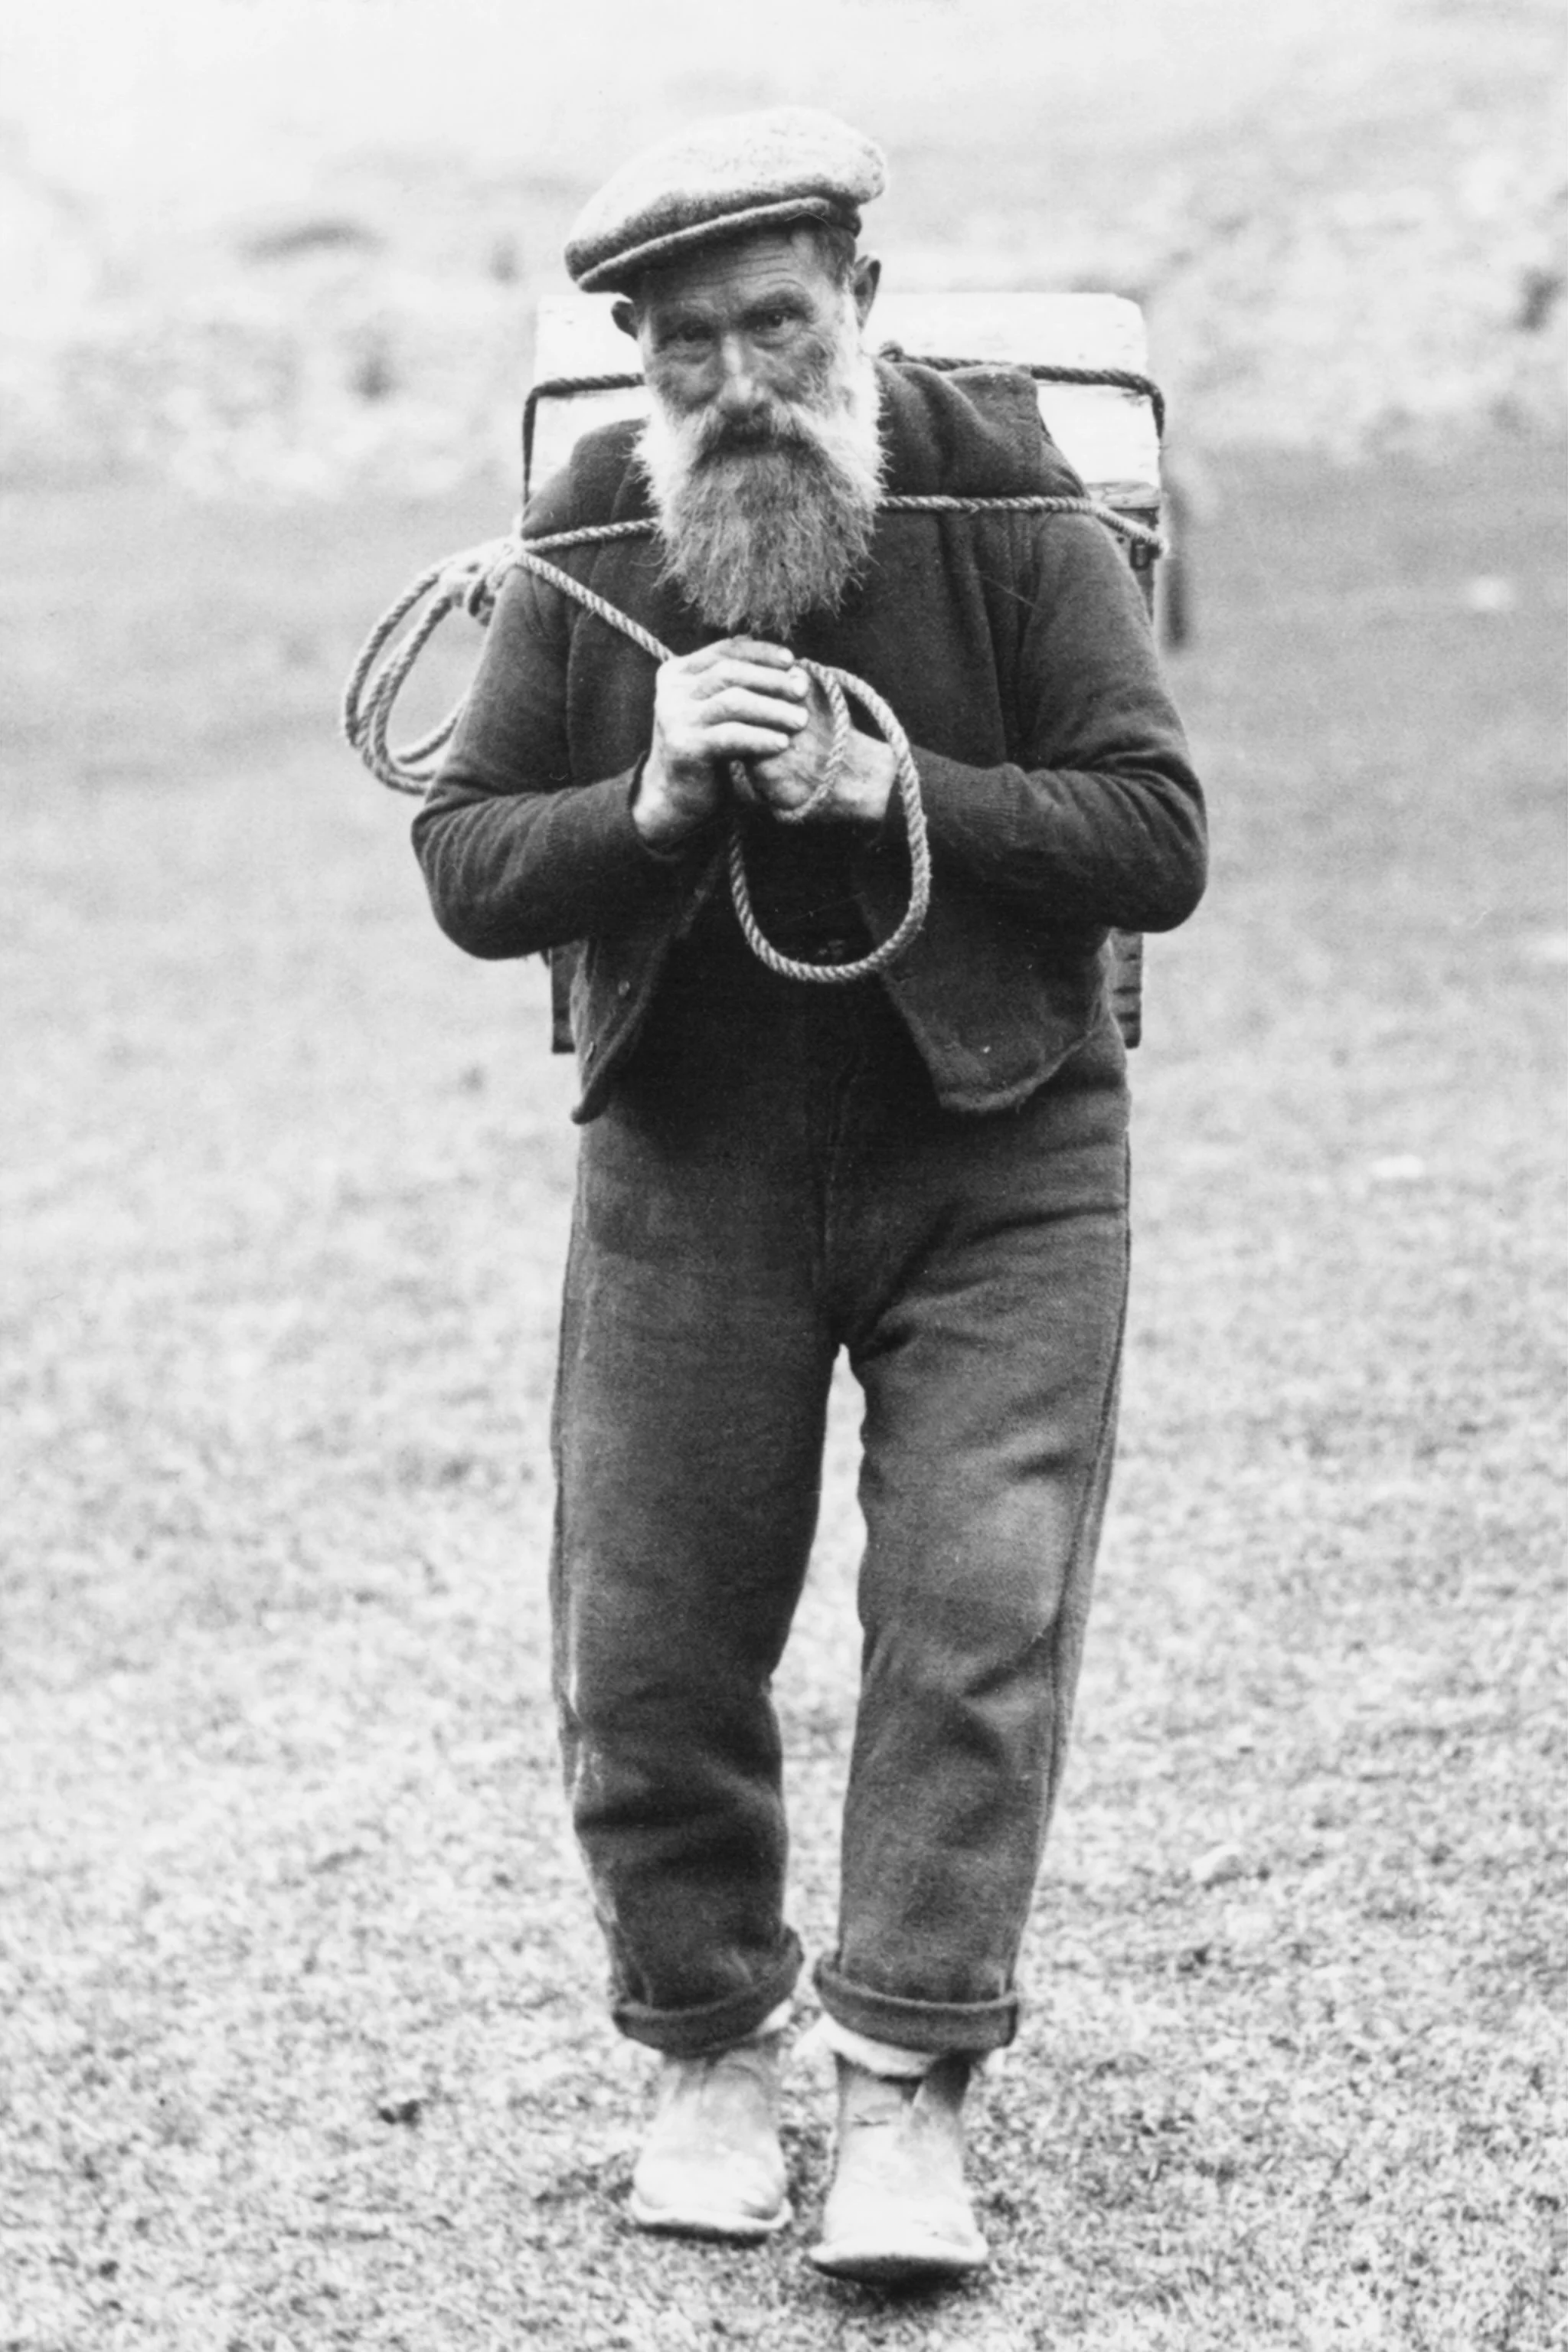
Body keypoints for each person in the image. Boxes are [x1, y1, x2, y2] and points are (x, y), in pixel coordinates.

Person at [412, 106, 1205, 2285]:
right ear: (636, 356)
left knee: (973, 1625)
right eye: (686, 345)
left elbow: (1157, 836)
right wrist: (651, 797)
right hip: (697, 1161)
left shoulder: (1000, 485)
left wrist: (890, 780)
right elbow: (466, 859)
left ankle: (908, 2095)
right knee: (650, 1641)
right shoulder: (596, 520)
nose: (740, 382)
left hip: (1004, 1153)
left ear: (859, 300)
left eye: (776, 323)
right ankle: (704, 2053)